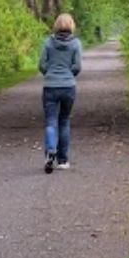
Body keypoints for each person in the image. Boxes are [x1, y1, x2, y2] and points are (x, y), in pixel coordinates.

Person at [39, 13, 82, 173]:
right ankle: (63, 160)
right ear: (71, 25)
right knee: (64, 121)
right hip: (68, 86)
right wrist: (68, 75)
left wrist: (49, 74)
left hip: (50, 86)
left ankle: (50, 151)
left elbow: (42, 64)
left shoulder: (48, 42)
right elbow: (77, 66)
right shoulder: (76, 44)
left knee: (50, 121)